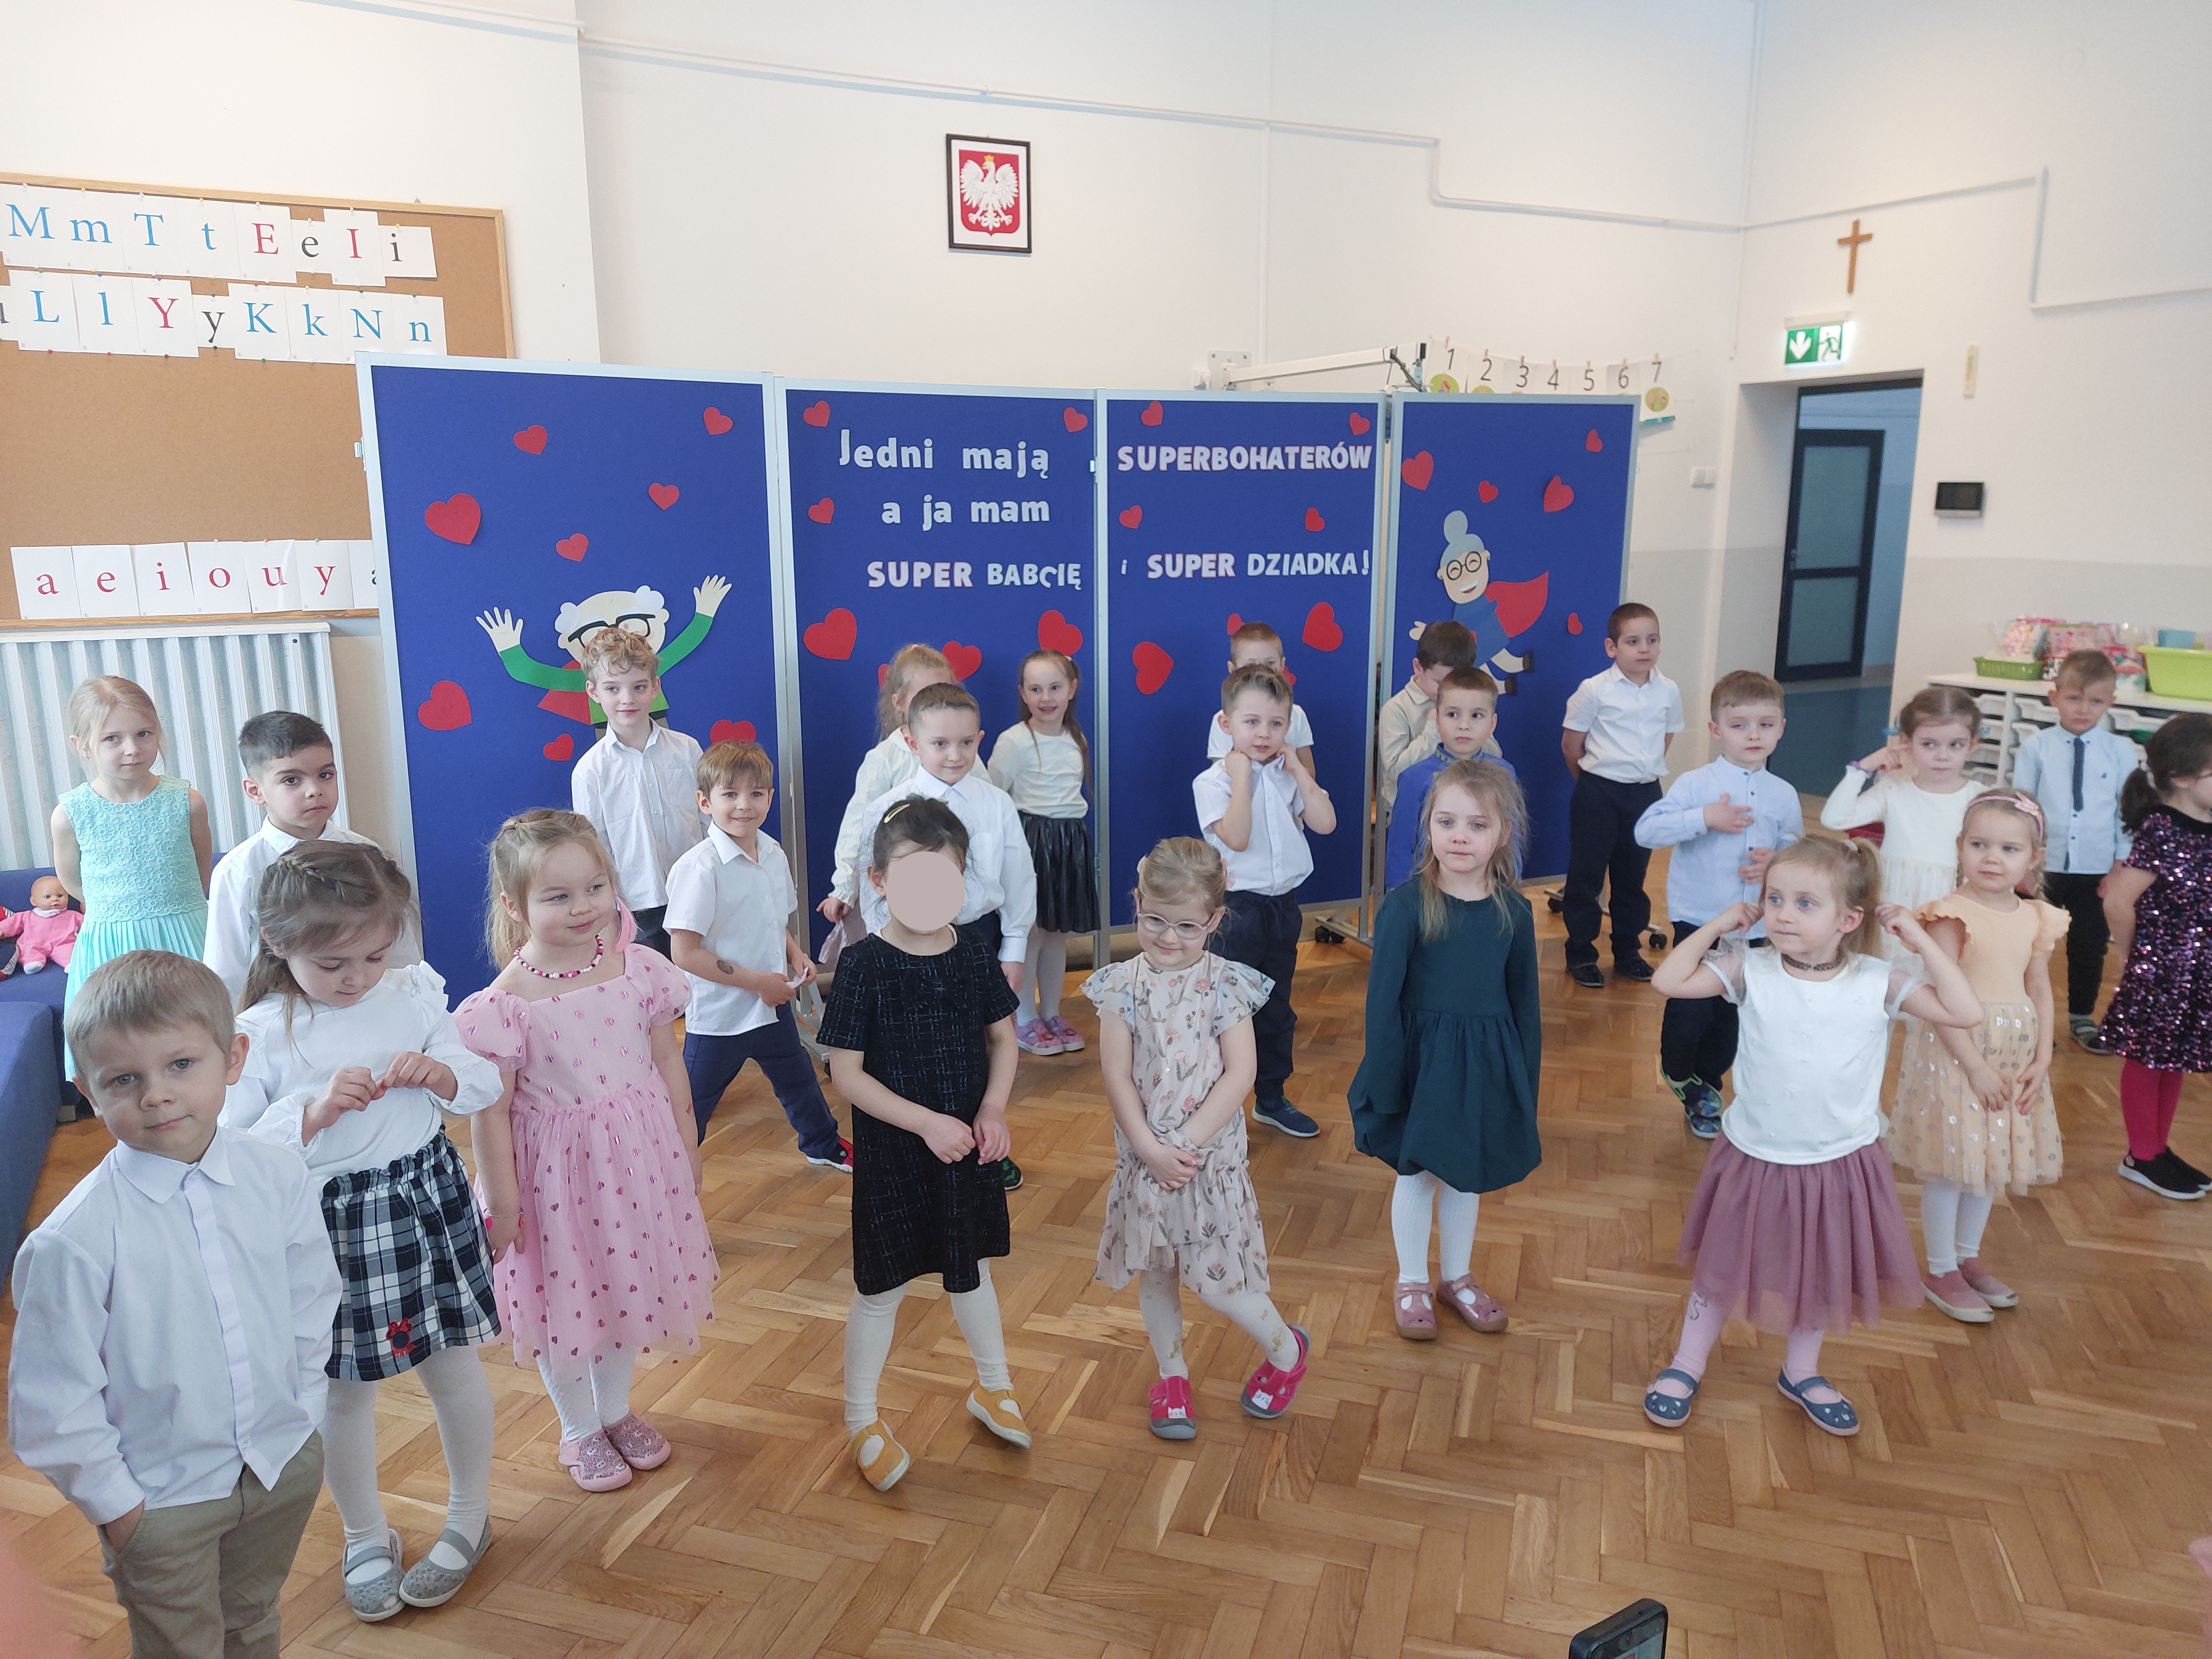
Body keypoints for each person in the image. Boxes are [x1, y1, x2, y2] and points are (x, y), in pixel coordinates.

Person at [9, 951, 342, 1659]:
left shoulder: (277, 1174)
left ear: (233, 1058)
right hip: (161, 1503)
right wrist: (121, 1508)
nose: (157, 1096)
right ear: (87, 1091)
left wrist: (305, 1414)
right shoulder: (73, 1241)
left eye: (181, 1065)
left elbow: (312, 1301)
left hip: (279, 1465)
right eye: (124, 1080)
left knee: (253, 1622)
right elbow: (51, 1401)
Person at [221, 842, 508, 1617]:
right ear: (278, 942)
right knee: (341, 1392)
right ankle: (364, 1534)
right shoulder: (259, 1030)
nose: (357, 977)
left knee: (451, 1367)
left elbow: (480, 1079)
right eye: (333, 963)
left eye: (374, 956)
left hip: (424, 1201)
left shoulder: (411, 991)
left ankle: (469, 1517)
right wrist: (310, 1113)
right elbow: (231, 1146)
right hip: (327, 1226)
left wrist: (443, 1073)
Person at [1639, 836, 1981, 1437]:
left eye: (1804, 904)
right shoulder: (1751, 969)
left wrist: (1919, 939)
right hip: (1754, 1152)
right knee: (1721, 1263)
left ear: (1848, 920)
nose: (1782, 914)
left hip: (1838, 1159)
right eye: (1774, 899)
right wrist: (1720, 924)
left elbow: (1964, 1012)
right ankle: (1686, 1363)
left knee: (1821, 1270)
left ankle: (1801, 1370)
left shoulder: (1877, 980)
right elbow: (1668, 981)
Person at [455, 811, 716, 1492]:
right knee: (565, 1301)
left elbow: (669, 1061)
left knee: (623, 1284)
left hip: (634, 1163)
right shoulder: (504, 1005)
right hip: (553, 1182)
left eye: (595, 888)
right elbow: (492, 1114)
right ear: (515, 906)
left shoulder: (638, 969)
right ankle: (578, 1427)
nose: (583, 907)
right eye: (559, 896)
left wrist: (686, 1146)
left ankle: (616, 1410)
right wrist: (502, 1206)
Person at [817, 799, 1027, 1492]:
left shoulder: (972, 953)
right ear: (879, 880)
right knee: (881, 1288)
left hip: (965, 1148)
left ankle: (994, 1386)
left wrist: (992, 1108)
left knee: (974, 1269)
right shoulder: (864, 965)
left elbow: (1003, 1040)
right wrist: (925, 1123)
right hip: (897, 1156)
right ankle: (861, 1418)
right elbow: (847, 1074)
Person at [1086, 838, 1309, 1439]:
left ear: (1214, 920)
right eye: (1154, 920)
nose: (1168, 937)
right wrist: (1148, 1149)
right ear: (1137, 905)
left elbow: (1240, 1074)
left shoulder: (1226, 984)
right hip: (1145, 1159)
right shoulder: (1120, 985)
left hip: (1205, 1164)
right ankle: (1172, 1377)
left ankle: (1286, 1351)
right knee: (1157, 1271)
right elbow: (1116, 1075)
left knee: (1221, 1284)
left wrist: (1181, 1144)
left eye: (1187, 926)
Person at [1351, 759, 1541, 1340]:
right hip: (1421, 1066)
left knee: (1464, 1174)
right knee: (1418, 1173)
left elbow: (1525, 1005)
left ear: (1502, 834)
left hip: (1484, 1065)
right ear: (1428, 826)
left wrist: (1524, 1084)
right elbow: (1382, 1002)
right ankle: (1411, 1280)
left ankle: (1456, 1278)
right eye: (1447, 822)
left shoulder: (1515, 911)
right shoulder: (1407, 906)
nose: (1460, 836)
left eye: (1477, 825)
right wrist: (1387, 1077)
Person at [1889, 792, 2068, 1322]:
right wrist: (1975, 1066)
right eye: (1979, 845)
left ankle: (1967, 1259)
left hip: (2014, 1054)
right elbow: (1941, 997)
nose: (1992, 858)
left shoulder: (2036, 916)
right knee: (1953, 1164)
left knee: (1989, 1162)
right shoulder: (1951, 915)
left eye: (2009, 849)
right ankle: (1940, 1268)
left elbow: (2039, 989)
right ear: (1959, 847)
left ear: (2033, 858)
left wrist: (2042, 1058)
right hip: (1960, 1052)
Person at [852, 682, 1037, 1190]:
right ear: (912, 742)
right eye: (940, 744)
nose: (954, 755)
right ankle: (920, 1138)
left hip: (976, 939)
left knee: (982, 1045)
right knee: (918, 1048)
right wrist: (885, 951)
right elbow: (871, 887)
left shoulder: (996, 804)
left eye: (965, 743)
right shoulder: (888, 808)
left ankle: (987, 1141)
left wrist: (1014, 947)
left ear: (980, 739)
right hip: (907, 943)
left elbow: (1019, 878)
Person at [666, 739, 851, 1171]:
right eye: (730, 794)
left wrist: (796, 954)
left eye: (755, 793)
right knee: (692, 1104)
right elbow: (684, 953)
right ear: (705, 802)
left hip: (771, 1005)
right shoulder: (699, 868)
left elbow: (772, 921)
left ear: (770, 797)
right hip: (721, 1017)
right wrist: (759, 984)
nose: (744, 805)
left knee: (799, 1079)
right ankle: (668, 1171)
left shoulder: (772, 852)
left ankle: (822, 1143)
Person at [1632, 671, 1802, 1136]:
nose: (1753, 735)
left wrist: (1779, 860)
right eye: (1739, 725)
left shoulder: (1784, 794)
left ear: (1781, 728)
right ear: (1715, 729)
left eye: (1765, 725)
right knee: (1691, 1012)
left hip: (1757, 928)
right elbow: (1646, 831)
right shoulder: (1695, 784)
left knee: (1732, 1019)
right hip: (1700, 922)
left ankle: (1706, 1087)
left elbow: (1796, 847)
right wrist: (1705, 817)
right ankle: (1678, 1072)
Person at [1195, 663, 1338, 1139]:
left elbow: (1325, 823)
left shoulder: (1286, 775)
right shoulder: (1213, 782)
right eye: (1252, 722)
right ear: (1226, 724)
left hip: (1283, 909)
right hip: (1236, 913)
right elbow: (1236, 837)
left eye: (1276, 724)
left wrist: (1298, 769)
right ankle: (1216, 1108)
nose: (1264, 734)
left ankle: (1271, 1098)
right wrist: (1242, 778)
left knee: (1276, 1008)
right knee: (1227, 1011)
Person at [49, 676, 213, 1074]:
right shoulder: (70, 814)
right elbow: (72, 881)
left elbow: (201, 870)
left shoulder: (188, 802)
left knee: (198, 1042)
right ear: (82, 745)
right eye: (112, 739)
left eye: (144, 734)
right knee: (121, 1052)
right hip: (111, 946)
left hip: (186, 937)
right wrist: (118, 906)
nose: (132, 749)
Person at [204, 710, 415, 1001]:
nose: (314, 791)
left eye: (325, 775)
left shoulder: (365, 854)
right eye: (292, 780)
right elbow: (227, 971)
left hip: (365, 1003)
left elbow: (400, 953)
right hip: (281, 1010)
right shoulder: (238, 871)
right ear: (255, 791)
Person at [2097, 713, 2212, 1199]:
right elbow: (2117, 900)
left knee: (2174, 1060)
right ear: (2182, 778)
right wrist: (2133, 954)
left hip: (2197, 971)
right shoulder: (2163, 829)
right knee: (2148, 1059)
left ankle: (2156, 1149)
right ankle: (2141, 1156)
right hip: (2162, 971)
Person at [2011, 649, 2140, 1053]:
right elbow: (2023, 808)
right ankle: (2023, 1015)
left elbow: (2127, 810)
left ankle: (2082, 1016)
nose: (2084, 709)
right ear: (2055, 697)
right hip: (2042, 867)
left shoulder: (2120, 750)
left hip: (2097, 868)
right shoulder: (2036, 747)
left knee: (2089, 945)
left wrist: (2120, 867)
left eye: (2096, 701)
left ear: (2111, 702)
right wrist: (2022, 865)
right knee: (2029, 943)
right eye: (2074, 698)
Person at [1559, 604, 1681, 988]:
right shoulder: (1594, 690)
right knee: (1587, 876)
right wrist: (1592, 783)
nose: (1644, 649)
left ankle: (1628, 950)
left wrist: (1640, 774)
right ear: (1612, 647)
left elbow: (1665, 738)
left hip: (1644, 794)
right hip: (1598, 792)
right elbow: (1571, 745)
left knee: (1633, 877)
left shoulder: (1669, 690)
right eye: (1633, 641)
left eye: (1652, 640)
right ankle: (1581, 953)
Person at [568, 629, 707, 959]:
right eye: (613, 689)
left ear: (655, 687)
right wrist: (609, 913)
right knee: (652, 985)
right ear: (593, 691)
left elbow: (708, 821)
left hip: (698, 892)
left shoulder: (687, 750)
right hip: (637, 906)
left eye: (639, 687)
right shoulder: (589, 771)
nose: (627, 699)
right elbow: (596, 850)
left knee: (703, 979)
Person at [988, 648, 1098, 1056]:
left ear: (1072, 689)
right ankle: (1025, 1017)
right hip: (1031, 843)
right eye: (1036, 689)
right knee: (1029, 933)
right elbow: (993, 797)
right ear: (1023, 693)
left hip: (1069, 843)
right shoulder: (1014, 741)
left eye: (1054, 687)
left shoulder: (1076, 738)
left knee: (1056, 934)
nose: (1046, 697)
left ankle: (1052, 1012)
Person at [1818, 684, 1982, 954]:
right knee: (1890, 967)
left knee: (1936, 968)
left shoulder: (1979, 799)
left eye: (1955, 745)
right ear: (1906, 743)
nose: (1942, 756)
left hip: (1949, 902)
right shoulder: (1892, 790)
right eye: (1929, 744)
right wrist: (1863, 769)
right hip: (1895, 899)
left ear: (1972, 745)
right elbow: (1834, 819)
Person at [820, 643, 955, 925]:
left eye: (944, 694)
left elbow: (985, 808)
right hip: (898, 879)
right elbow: (859, 824)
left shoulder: (961, 753)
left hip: (950, 874)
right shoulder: (886, 758)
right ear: (899, 703)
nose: (936, 705)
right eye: (924, 696)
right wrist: (845, 887)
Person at [1383, 666, 1517, 891]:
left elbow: (1512, 841)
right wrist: (1399, 897)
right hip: (1429, 892)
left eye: (1476, 716)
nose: (1464, 726)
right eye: (1452, 715)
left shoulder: (1503, 773)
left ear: (1492, 724)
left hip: (1487, 889)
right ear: (1437, 720)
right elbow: (1401, 847)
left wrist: (1510, 885)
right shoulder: (1414, 778)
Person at [1376, 618, 1478, 821]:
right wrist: (1433, 728)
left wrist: (1472, 729)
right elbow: (1396, 772)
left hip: (1464, 810)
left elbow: (1493, 757)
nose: (1448, 691)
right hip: (1412, 814)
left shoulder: (1471, 704)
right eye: (1440, 683)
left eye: (1457, 682)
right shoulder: (1397, 710)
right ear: (1418, 668)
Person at [1205, 621, 1317, 774]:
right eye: (1250, 666)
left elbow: (1310, 774)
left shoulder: (1297, 715)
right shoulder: (1225, 719)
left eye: (1269, 664)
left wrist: (1293, 767)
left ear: (1282, 666)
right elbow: (1218, 779)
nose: (1261, 672)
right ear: (1233, 669)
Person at [0, 874, 81, 974]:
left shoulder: (73, 915)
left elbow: (87, 924)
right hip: (34, 943)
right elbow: (12, 923)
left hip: (62, 943)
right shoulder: (26, 916)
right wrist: (2, 930)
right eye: (48, 897)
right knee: (29, 950)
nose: (55, 899)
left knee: (69, 951)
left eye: (60, 896)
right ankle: (32, 963)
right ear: (34, 901)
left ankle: (71, 964)